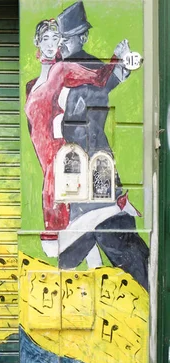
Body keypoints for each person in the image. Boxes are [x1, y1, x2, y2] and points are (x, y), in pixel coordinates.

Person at [55, 1, 150, 290]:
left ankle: (144, 286)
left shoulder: (91, 68)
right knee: (79, 237)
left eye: (67, 38)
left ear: (82, 37)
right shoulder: (58, 71)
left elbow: (111, 80)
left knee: (109, 227)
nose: (62, 43)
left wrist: (123, 63)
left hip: (95, 162)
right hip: (72, 166)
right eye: (60, 38)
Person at [24, 18, 133, 266]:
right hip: (45, 157)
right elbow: (33, 127)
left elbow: (96, 77)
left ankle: (92, 270)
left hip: (60, 155)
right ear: (37, 42)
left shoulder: (61, 71)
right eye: (46, 39)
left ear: (60, 42)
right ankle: (93, 268)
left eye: (55, 38)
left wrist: (118, 61)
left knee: (68, 216)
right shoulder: (30, 85)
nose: (51, 44)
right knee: (75, 224)